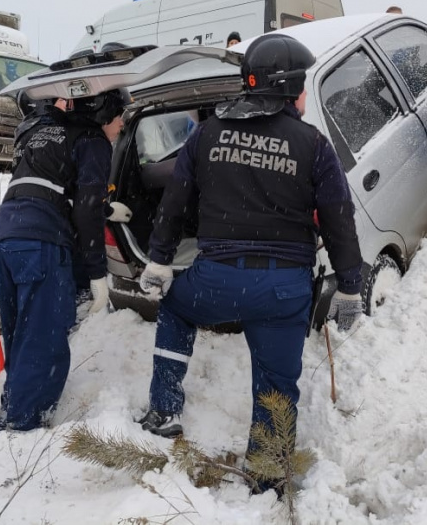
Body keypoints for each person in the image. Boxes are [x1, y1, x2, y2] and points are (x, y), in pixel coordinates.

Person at [135, 34, 364, 484]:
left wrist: (160, 261)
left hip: (215, 282)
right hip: (283, 291)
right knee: (278, 387)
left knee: (175, 307)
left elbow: (175, 204)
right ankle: (267, 473)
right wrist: (350, 283)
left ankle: (163, 410)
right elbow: (339, 218)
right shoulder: (312, 144)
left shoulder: (206, 133)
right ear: (289, 87)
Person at [0, 89, 131, 433]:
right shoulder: (93, 140)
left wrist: (104, 208)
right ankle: (22, 427)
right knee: (44, 336)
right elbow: (83, 209)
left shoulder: (43, 129)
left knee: (20, 333)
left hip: (7, 235)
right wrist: (97, 273)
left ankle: (14, 407)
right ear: (105, 112)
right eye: (121, 114)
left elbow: (56, 185)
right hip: (41, 242)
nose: (123, 123)